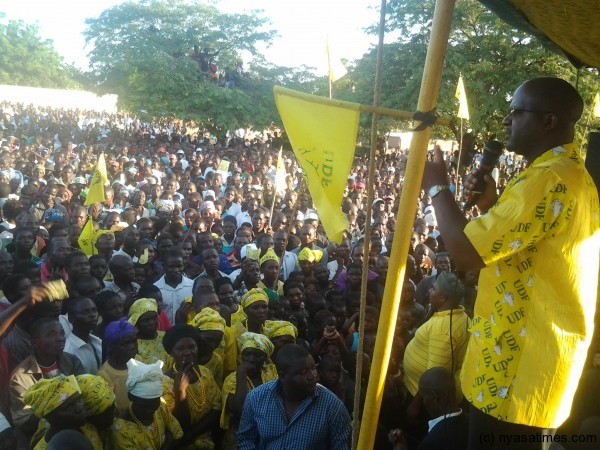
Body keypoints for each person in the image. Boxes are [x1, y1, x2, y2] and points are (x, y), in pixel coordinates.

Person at [422, 77, 600, 449]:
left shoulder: (547, 179)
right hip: (530, 368)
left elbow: (467, 253)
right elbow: (529, 249)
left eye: (516, 112)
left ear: (549, 121)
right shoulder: (570, 175)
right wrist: (489, 206)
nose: (506, 121)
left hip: (514, 372)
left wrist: (437, 186)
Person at [236, 343, 352, 450]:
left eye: (313, 368)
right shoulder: (256, 398)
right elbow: (245, 439)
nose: (313, 376)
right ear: (283, 376)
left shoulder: (333, 407)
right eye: (303, 372)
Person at [162, 324, 221, 449]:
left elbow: (217, 409)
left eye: (192, 347)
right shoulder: (165, 383)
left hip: (206, 438)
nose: (188, 353)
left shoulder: (205, 373)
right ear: (171, 352)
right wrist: (180, 393)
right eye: (180, 348)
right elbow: (179, 425)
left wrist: (193, 433)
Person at [220, 332, 278, 450]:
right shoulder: (232, 379)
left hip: (270, 433)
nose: (251, 359)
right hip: (240, 436)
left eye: (257, 355)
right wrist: (241, 373)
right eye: (247, 354)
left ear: (266, 357)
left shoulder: (271, 372)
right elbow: (240, 411)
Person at [109, 359, 183, 449]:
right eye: (144, 405)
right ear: (130, 397)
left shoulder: (160, 407)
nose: (150, 410)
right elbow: (173, 436)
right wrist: (169, 440)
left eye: (154, 402)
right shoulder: (121, 430)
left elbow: (178, 434)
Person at [389, 367, 469, 450]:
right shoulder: (471, 422)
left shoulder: (431, 443)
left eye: (423, 397)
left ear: (434, 396)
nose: (423, 402)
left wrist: (400, 447)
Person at [23, 375, 102, 450]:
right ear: (50, 417)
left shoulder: (89, 428)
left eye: (79, 399)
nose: (80, 408)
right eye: (69, 407)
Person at [154, 249, 194, 324]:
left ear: (184, 266)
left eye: (179, 266)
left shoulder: (192, 286)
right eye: (171, 267)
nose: (176, 270)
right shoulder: (156, 288)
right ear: (164, 266)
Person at [64, 297, 102, 374]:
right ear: (71, 318)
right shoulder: (68, 351)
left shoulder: (98, 341)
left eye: (94, 310)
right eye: (85, 312)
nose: (93, 315)